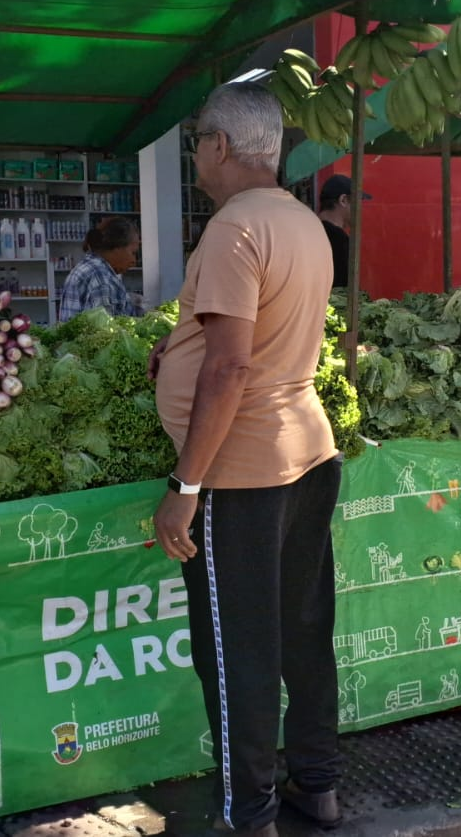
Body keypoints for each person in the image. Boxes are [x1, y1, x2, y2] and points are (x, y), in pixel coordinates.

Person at [149, 82, 344, 837]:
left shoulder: (232, 229)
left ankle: (249, 814)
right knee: (302, 630)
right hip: (307, 451)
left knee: (237, 654)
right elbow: (260, 339)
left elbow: (230, 370)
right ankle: (317, 786)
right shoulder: (302, 223)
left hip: (243, 472)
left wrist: (186, 485)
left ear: (220, 145)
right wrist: (180, 347)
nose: (196, 156)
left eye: (198, 141)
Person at [57, 216, 142, 322]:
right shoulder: (100, 276)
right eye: (133, 253)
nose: (134, 260)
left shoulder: (92, 267)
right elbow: (106, 332)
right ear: (116, 248)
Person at [315, 174, 368, 291]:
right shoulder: (339, 240)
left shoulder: (309, 230)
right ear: (343, 200)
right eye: (357, 201)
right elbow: (343, 293)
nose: (360, 209)